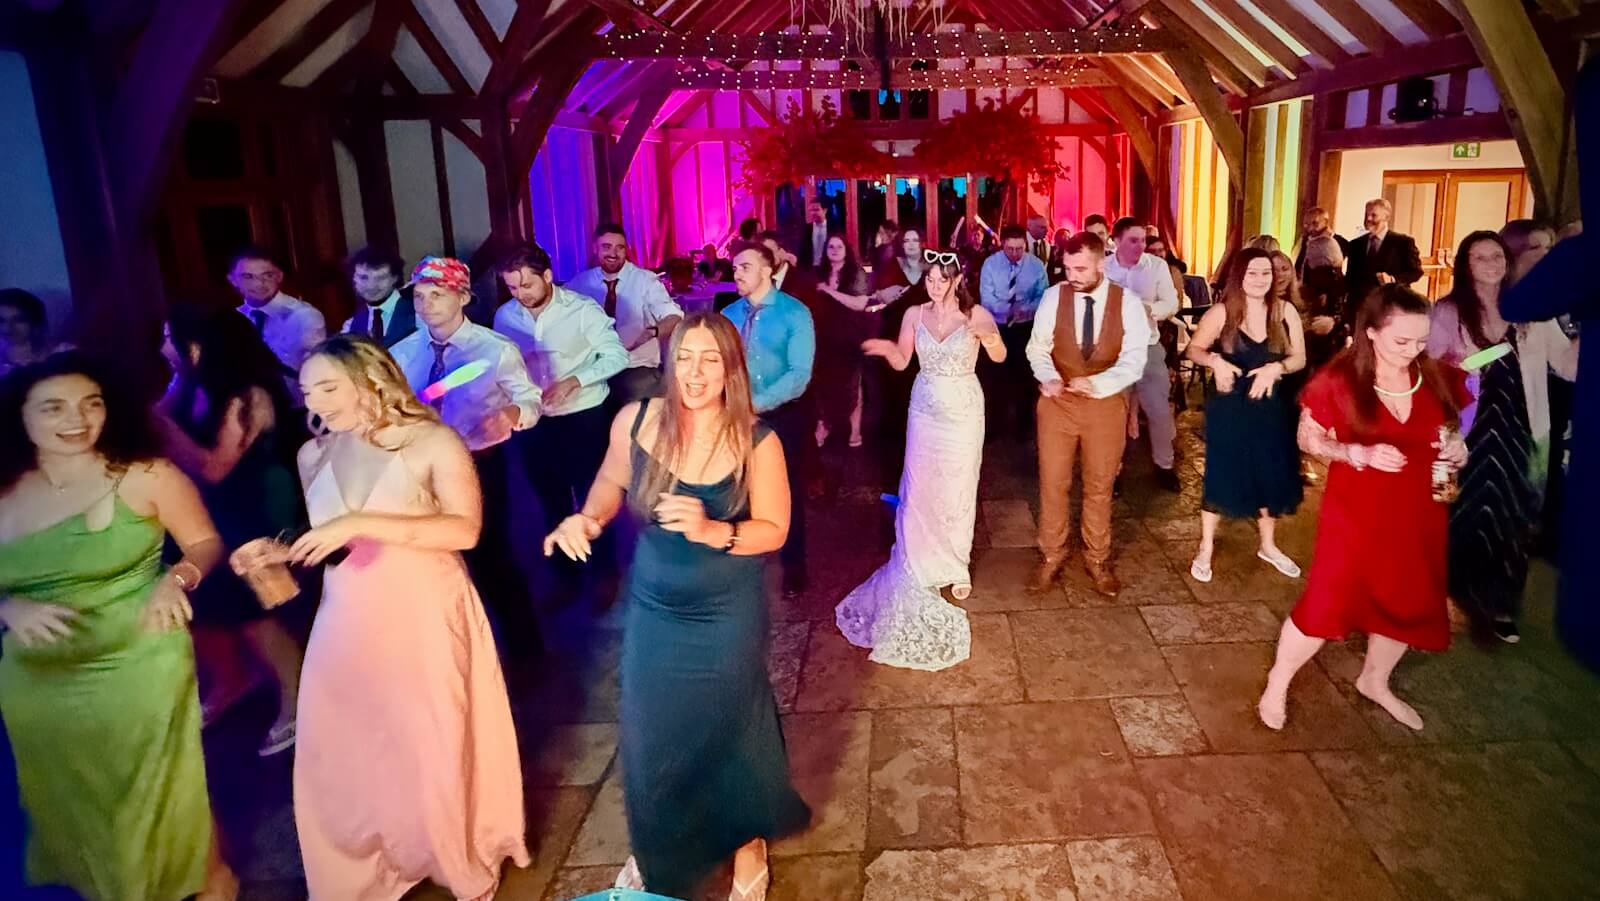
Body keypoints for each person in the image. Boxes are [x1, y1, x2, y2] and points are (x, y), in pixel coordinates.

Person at [543, 313, 811, 900]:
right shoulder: (636, 421)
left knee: (730, 727)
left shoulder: (757, 440)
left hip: (726, 612)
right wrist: (587, 518)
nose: (694, 372)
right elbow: (612, 481)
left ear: (731, 368)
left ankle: (747, 844)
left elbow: (774, 530)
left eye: (709, 359)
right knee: (650, 733)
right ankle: (658, 848)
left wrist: (714, 528)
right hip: (654, 607)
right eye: (684, 357)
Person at [284, 336, 528, 899]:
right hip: (346, 615)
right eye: (306, 391)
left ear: (371, 380)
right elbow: (333, 541)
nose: (316, 402)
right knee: (352, 745)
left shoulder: (432, 441)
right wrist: (279, 551)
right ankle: (373, 858)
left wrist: (361, 523)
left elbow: (464, 531)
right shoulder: (311, 454)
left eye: (328, 386)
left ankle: (454, 852)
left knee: (432, 738)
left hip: (424, 607)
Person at [0, 353, 237, 900]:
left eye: (92, 403)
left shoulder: (145, 474)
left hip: (140, 651)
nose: (77, 419)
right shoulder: (5, 487)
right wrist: (9, 608)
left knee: (161, 781)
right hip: (39, 673)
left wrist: (176, 579)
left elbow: (204, 543)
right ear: (21, 416)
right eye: (53, 408)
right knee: (73, 794)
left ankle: (212, 882)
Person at [1258, 286, 1469, 732]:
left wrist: (1457, 447)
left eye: (1420, 341)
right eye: (1401, 342)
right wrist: (1357, 453)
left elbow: (1449, 427)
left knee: (1405, 598)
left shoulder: (1432, 374)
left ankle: (1375, 679)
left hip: (1418, 512)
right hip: (1357, 512)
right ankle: (1278, 680)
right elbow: (1307, 439)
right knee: (1327, 601)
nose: (1412, 351)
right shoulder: (1339, 380)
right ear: (1371, 332)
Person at [837, 251, 1003, 670]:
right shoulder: (914, 312)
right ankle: (918, 562)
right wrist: (883, 347)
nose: (933, 286)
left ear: (956, 279)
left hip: (964, 411)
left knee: (959, 490)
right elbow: (902, 360)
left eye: (940, 279)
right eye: (929, 279)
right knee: (921, 489)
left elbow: (999, 358)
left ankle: (955, 566)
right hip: (926, 408)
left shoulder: (976, 313)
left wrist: (991, 337)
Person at [158, 306, 305, 756]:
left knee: (255, 617)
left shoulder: (249, 395)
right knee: (203, 612)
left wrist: (162, 429)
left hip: (248, 514)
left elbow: (216, 467)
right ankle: (230, 683)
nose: (162, 348)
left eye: (169, 338)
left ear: (196, 347)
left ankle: (298, 703)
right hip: (203, 515)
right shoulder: (194, 385)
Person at [389, 256, 544, 654]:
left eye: (437, 295)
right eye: (420, 296)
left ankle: (525, 649)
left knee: (492, 555)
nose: (425, 305)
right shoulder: (403, 353)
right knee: (434, 558)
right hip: (419, 469)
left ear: (463, 297)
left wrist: (510, 415)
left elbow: (529, 399)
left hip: (479, 463)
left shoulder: (494, 349)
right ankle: (453, 648)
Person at [1426, 231, 1575, 643]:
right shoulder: (1448, 311)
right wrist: (1473, 363)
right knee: (1461, 514)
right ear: (1465, 264)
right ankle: (1447, 592)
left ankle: (1500, 604)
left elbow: (1565, 363)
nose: (1491, 263)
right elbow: (1430, 368)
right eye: (1480, 257)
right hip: (1469, 430)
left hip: (1519, 430)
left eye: (1496, 256)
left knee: (1513, 517)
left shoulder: (1531, 312)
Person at [1025, 232, 1150, 597]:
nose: (1072, 275)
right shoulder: (1054, 296)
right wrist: (1047, 376)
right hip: (1057, 406)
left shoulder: (1127, 302)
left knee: (1099, 486)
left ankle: (1097, 558)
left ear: (1101, 263)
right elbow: (1038, 347)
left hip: (1105, 407)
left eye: (1080, 268)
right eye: (1067, 267)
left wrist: (1097, 383)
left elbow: (1134, 359)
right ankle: (1051, 555)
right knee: (1053, 483)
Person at [494, 243, 629, 563]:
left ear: (548, 276)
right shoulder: (504, 316)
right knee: (548, 497)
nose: (519, 294)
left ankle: (603, 573)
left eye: (527, 285)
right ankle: (564, 574)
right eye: (512, 287)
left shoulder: (582, 310)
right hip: (535, 418)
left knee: (592, 495)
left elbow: (617, 355)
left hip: (583, 414)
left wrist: (574, 380)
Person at [1184, 249, 1306, 583]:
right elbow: (1193, 349)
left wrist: (1276, 368)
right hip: (1231, 406)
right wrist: (1215, 361)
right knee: (1223, 472)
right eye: (1252, 273)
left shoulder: (1284, 312)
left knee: (1270, 472)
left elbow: (1300, 359)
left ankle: (1268, 544)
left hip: (1269, 405)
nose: (1260, 279)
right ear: (1238, 276)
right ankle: (1205, 546)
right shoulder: (1222, 312)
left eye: (1266, 273)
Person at [722, 243, 815, 594]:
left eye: (744, 266)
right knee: (737, 488)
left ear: (767, 270)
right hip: (737, 416)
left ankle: (794, 568)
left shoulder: (794, 313)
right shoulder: (730, 314)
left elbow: (799, 373)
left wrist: (756, 404)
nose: (737, 273)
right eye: (734, 268)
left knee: (786, 489)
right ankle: (744, 562)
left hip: (783, 414)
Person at [1501, 220, 1574, 556]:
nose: (1546, 254)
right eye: (1535, 248)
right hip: (1485, 421)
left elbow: (1566, 365)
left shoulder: (1541, 310)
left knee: (1524, 511)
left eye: (1549, 246)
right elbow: (1460, 361)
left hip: (1532, 420)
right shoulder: (1481, 301)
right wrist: (1502, 347)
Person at [567, 223, 685, 407]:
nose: (613, 253)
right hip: (593, 370)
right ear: (595, 249)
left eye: (619, 247)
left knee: (638, 418)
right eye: (606, 247)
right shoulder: (580, 283)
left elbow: (673, 317)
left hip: (636, 367)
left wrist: (652, 332)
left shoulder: (645, 280)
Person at [1105, 217, 1182, 491]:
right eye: (1133, 240)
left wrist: (1150, 310)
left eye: (1143, 240)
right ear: (1116, 241)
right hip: (1113, 349)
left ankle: (1165, 464)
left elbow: (1171, 303)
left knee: (1160, 410)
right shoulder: (1103, 268)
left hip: (1147, 345)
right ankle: (1113, 471)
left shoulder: (1157, 266)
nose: (1140, 246)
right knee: (1113, 413)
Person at [229, 245, 327, 406]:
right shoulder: (232, 320)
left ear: (280, 276)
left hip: (297, 409)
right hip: (250, 408)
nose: (259, 284)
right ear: (233, 280)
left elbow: (318, 368)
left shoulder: (303, 316)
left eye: (267, 275)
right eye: (248, 277)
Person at [977, 224, 1047, 439]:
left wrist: (1025, 310)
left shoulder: (1036, 266)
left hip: (1025, 328)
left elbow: (1043, 297)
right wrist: (1008, 310)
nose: (1015, 254)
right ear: (1002, 245)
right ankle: (995, 426)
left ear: (1025, 245)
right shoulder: (991, 265)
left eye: (1019, 249)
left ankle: (1023, 428)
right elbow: (986, 299)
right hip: (997, 327)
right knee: (996, 378)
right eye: (1010, 249)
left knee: (1025, 379)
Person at [814, 234, 874, 451]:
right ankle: (824, 425)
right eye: (831, 246)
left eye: (839, 246)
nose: (835, 250)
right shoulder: (819, 272)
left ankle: (855, 429)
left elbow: (859, 303)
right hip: (824, 334)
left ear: (846, 249)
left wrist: (830, 291)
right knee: (823, 382)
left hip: (850, 334)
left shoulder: (856, 273)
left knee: (853, 382)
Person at [1343, 199, 1424, 329]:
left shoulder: (1403, 243)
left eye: (1373, 215)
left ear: (1386, 217)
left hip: (1390, 307)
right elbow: (1350, 279)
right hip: (1361, 310)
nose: (1368, 219)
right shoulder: (1355, 245)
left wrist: (1393, 279)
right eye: (1366, 215)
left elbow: (1416, 272)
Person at [340, 246, 416, 348]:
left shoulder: (419, 314)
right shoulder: (350, 325)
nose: (371, 286)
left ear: (395, 278)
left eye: (381, 278)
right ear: (354, 278)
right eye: (363, 277)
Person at [0, 289, 64, 377]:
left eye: (19, 320)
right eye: (1, 321)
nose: (7, 329)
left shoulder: (61, 354)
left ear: (35, 321)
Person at [796, 199, 831, 270]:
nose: (813, 213)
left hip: (829, 267)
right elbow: (802, 251)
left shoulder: (833, 228)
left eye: (816, 210)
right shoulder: (806, 229)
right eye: (811, 210)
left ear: (825, 210)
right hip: (810, 269)